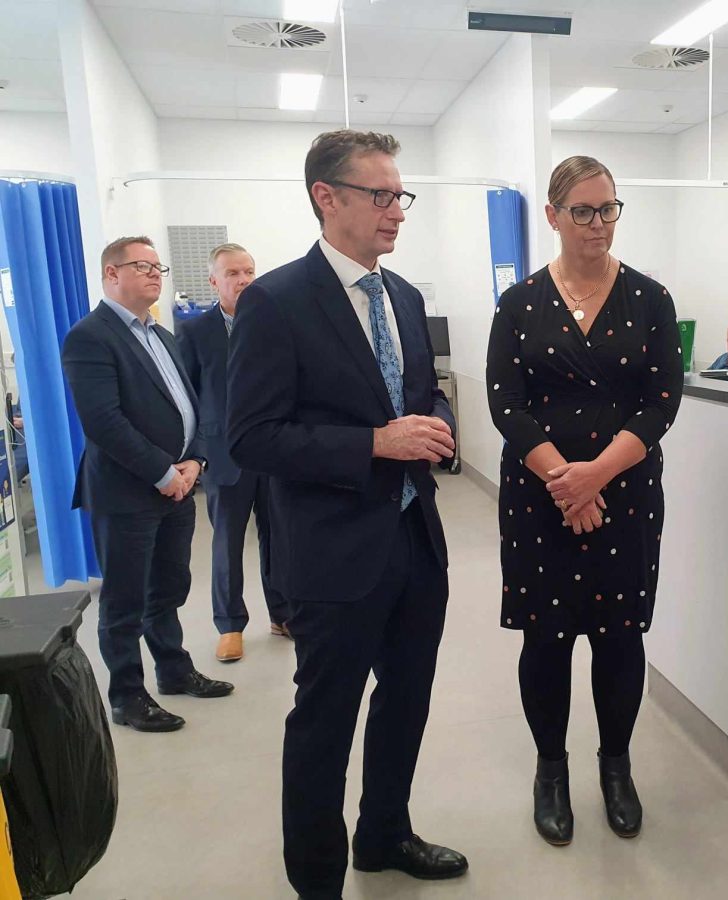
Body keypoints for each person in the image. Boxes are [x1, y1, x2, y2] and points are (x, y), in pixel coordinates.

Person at [226, 130, 465, 898]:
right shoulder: (276, 300)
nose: (397, 211)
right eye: (381, 195)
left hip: (413, 538)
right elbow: (253, 437)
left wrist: (427, 430)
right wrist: (374, 442)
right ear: (327, 198)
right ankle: (318, 880)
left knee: (406, 700)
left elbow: (416, 392)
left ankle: (384, 833)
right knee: (324, 721)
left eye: (402, 196)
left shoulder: (403, 296)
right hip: (332, 552)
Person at [486, 155, 684, 847]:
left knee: (619, 636)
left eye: (608, 209)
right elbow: (505, 404)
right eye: (582, 211)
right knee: (546, 639)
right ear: (552, 216)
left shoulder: (651, 300)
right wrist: (563, 481)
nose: (597, 224)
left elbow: (661, 405)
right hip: (540, 499)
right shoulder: (518, 305)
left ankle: (616, 768)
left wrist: (593, 475)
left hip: (624, 495)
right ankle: (550, 771)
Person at [61, 236, 234, 734]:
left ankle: (174, 670)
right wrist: (163, 473)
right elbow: (103, 421)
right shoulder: (89, 337)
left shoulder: (160, 334)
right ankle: (127, 695)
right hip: (128, 492)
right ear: (111, 274)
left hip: (178, 486)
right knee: (124, 600)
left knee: (168, 588)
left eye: (158, 266)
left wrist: (195, 460)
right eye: (143, 266)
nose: (157, 273)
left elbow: (191, 404)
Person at [177, 243, 290, 663]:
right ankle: (229, 625)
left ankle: (283, 614)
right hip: (224, 457)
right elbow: (186, 398)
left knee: (279, 539)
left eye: (248, 271)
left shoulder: (272, 322)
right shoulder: (193, 333)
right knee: (227, 543)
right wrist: (196, 453)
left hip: (272, 453)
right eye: (233, 274)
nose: (243, 280)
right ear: (214, 281)